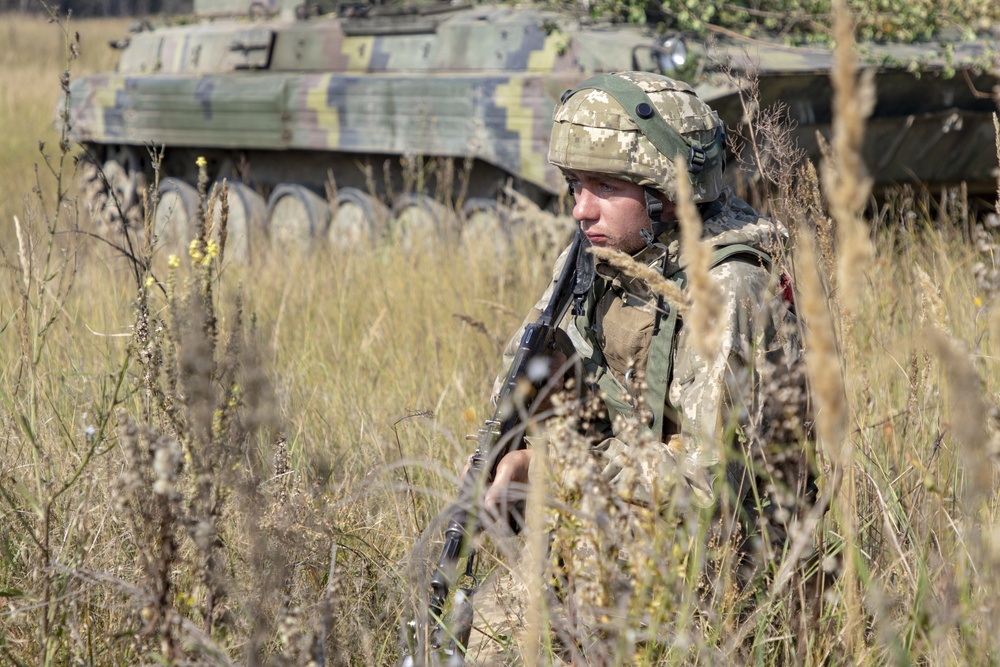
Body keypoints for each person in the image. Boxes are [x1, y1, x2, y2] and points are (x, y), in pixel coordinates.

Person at [466, 71, 808, 665]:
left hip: (723, 562)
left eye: (603, 185)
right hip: (620, 521)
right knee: (480, 619)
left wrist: (549, 471)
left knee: (514, 632)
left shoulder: (728, 288)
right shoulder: (603, 255)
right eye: (574, 184)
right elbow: (522, 383)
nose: (580, 208)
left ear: (666, 191)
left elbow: (710, 491)